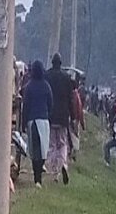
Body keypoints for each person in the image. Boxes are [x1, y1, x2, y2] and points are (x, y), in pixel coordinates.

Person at [22, 60, 53, 188]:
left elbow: (26, 106)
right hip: (44, 121)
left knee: (35, 151)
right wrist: (47, 115)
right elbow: (51, 104)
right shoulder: (47, 86)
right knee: (43, 150)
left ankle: (37, 178)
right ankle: (39, 176)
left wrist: (23, 123)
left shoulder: (28, 87)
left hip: (32, 121)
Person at [46, 53, 74, 184]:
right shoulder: (67, 78)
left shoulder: (47, 76)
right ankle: (63, 164)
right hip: (63, 116)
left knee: (52, 144)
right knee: (62, 143)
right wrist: (72, 116)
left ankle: (54, 172)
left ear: (52, 63)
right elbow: (71, 99)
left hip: (50, 115)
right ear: (61, 63)